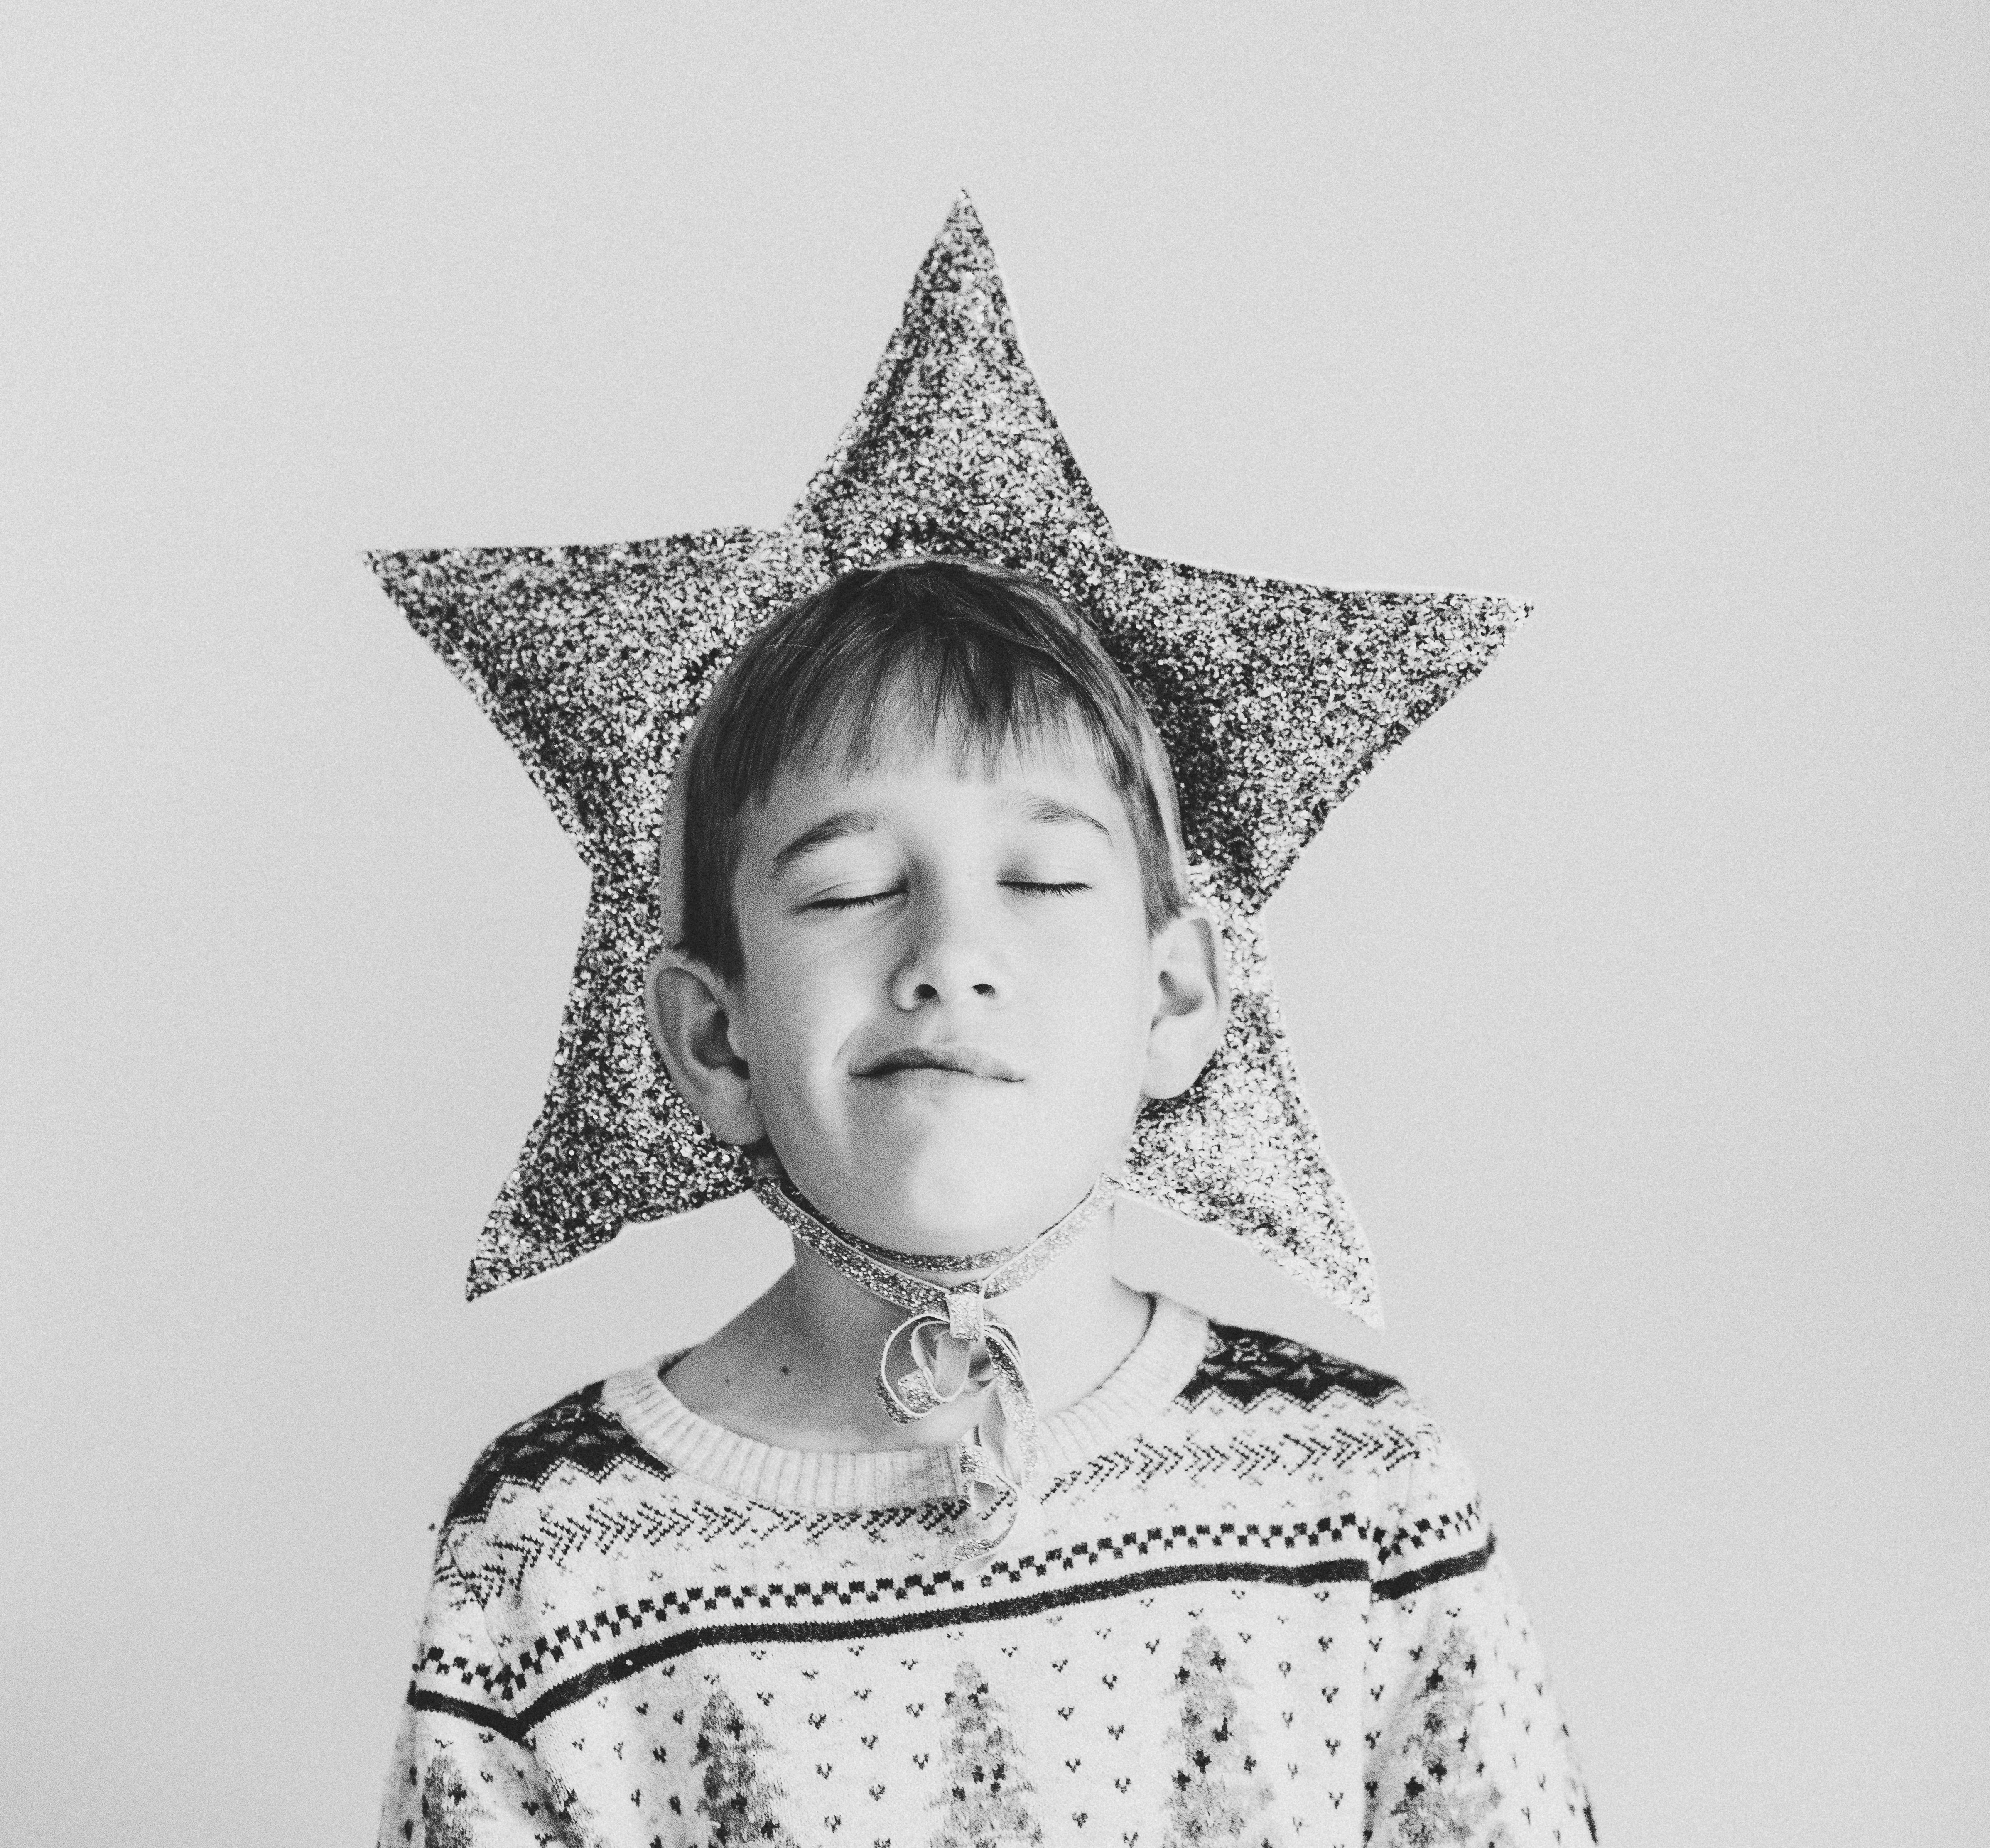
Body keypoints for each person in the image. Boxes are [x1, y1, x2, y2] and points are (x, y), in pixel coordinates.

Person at [377, 559, 1597, 1846]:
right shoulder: (551, 1554)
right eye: (848, 892)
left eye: (1045, 882)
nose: (950, 955)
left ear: (1173, 1000)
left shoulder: (1364, 1496)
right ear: (718, 1041)